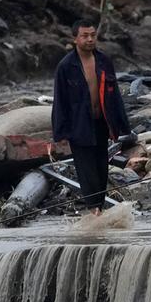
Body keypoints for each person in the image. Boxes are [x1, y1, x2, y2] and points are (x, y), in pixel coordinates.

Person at [50, 18, 132, 211]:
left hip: (101, 123)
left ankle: (99, 208)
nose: (89, 39)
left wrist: (122, 124)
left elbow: (115, 95)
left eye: (93, 35)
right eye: (84, 36)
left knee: (101, 168)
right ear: (75, 39)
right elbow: (60, 100)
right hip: (79, 126)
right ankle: (94, 210)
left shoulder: (104, 61)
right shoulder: (66, 66)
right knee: (87, 171)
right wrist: (59, 134)